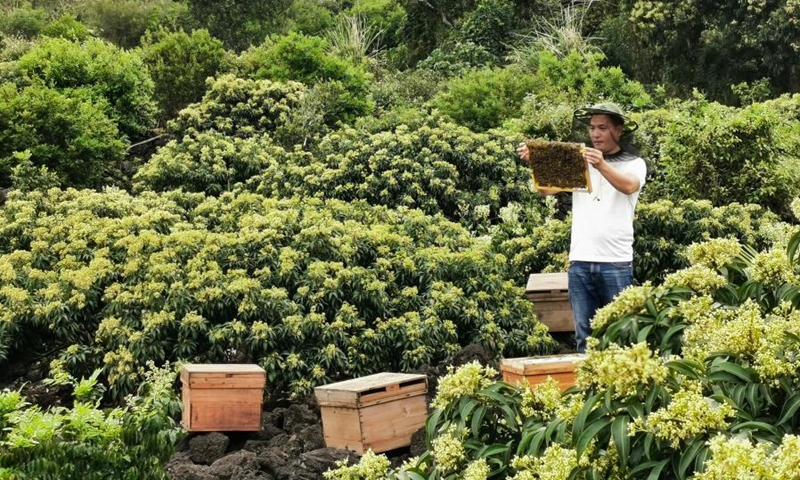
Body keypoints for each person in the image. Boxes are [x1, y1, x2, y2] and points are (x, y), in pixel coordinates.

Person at [516, 103, 647, 352]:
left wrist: (601, 165)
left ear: (618, 130)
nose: (595, 134)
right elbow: (546, 190)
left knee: (620, 337)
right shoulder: (581, 162)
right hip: (580, 262)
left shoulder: (635, 163)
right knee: (584, 339)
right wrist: (536, 160)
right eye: (592, 128)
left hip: (616, 263)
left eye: (602, 128)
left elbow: (629, 186)